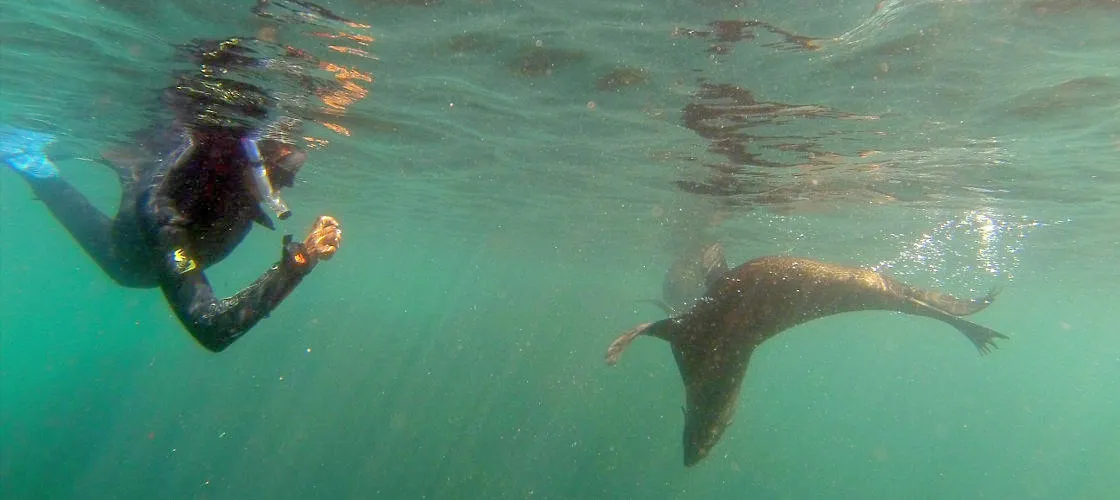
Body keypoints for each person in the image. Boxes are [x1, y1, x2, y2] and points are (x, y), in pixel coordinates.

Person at [1, 121, 342, 352]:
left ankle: (38, 167)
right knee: (95, 231)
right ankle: (32, 164)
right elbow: (213, 329)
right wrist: (299, 262)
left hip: (154, 240)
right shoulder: (166, 216)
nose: (286, 185)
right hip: (134, 260)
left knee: (107, 221)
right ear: (251, 160)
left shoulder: (231, 180)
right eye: (282, 174)